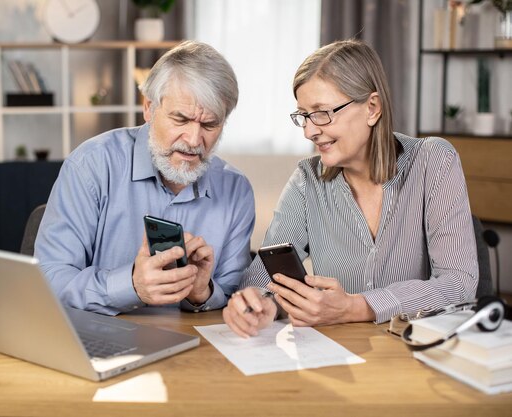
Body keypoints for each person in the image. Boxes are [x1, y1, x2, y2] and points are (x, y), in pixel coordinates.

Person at [223, 39, 478, 337]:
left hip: (416, 355)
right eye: (303, 115)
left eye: (321, 112)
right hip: (339, 360)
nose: (309, 131)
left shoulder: (433, 161)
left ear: (372, 108)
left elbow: (460, 282)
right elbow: (259, 280)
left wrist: (357, 306)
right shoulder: (307, 181)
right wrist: (264, 305)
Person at [35, 41, 255, 316]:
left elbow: (236, 295)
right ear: (149, 108)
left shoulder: (236, 190)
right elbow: (50, 277)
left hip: (198, 351)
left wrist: (203, 292)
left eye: (210, 124)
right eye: (181, 119)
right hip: (101, 343)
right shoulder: (91, 165)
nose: (194, 139)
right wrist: (131, 285)